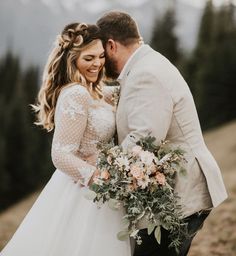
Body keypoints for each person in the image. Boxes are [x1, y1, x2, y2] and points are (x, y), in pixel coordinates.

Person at [97, 11, 228, 256]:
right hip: (175, 193)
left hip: (179, 195)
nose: (100, 63)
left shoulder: (146, 74)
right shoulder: (147, 64)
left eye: (102, 54)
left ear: (111, 45)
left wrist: (99, 172)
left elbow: (143, 141)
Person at [0, 22, 131, 256]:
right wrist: (101, 180)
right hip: (86, 191)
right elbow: (60, 155)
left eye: (101, 56)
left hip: (103, 186)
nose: (98, 63)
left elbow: (124, 90)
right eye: (89, 58)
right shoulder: (76, 94)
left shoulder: (95, 89)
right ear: (72, 59)